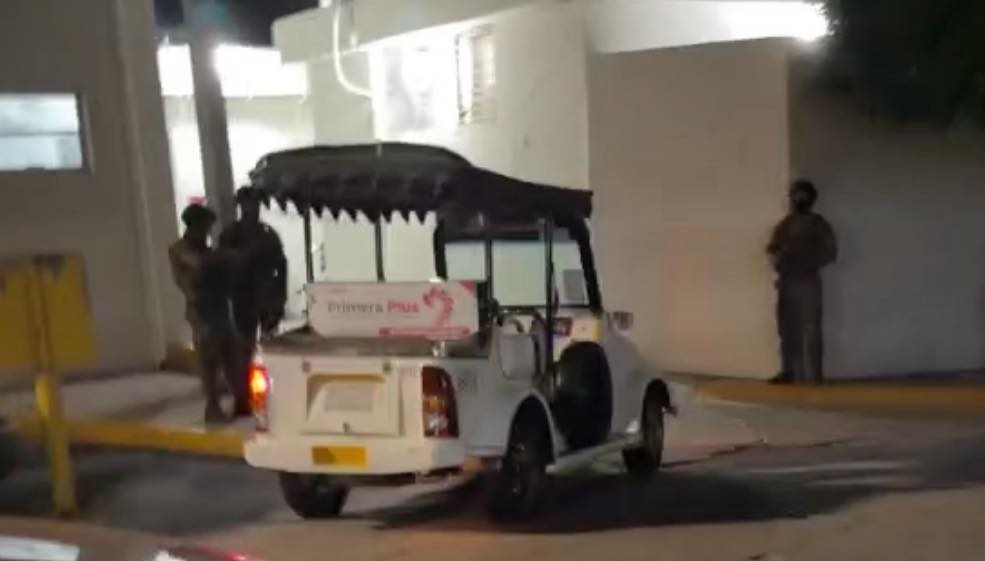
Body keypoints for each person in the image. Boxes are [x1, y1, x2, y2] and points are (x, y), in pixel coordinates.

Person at [169, 204, 247, 423]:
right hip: (201, 311)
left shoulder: (207, 250)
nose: (207, 232)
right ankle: (212, 407)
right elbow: (200, 268)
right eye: (204, 226)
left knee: (231, 356)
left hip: (220, 308)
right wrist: (227, 257)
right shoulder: (180, 250)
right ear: (193, 225)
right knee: (209, 361)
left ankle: (240, 401)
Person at [219, 187, 287, 408]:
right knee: (242, 348)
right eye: (248, 204)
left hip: (266, 297)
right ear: (240, 205)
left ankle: (271, 395)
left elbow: (281, 267)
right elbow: (222, 267)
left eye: (256, 204)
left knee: (270, 347)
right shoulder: (231, 235)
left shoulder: (268, 234)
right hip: (241, 297)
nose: (252, 208)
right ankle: (243, 398)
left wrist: (280, 297)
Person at [767, 180, 838, 384]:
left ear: (811, 199)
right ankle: (788, 371)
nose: (798, 199)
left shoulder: (819, 224)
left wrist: (807, 260)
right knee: (786, 329)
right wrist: (778, 259)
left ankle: (814, 375)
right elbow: (773, 248)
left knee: (810, 328)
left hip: (808, 280)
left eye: (802, 196)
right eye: (796, 195)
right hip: (787, 280)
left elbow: (831, 252)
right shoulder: (785, 224)